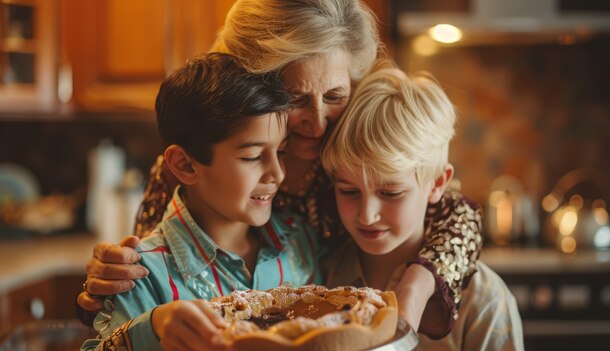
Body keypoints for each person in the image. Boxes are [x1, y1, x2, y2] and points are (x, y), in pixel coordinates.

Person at [78, 0, 483, 337]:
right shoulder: (190, 167)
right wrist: (109, 282)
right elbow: (147, 277)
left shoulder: (351, 150)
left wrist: (417, 283)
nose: (319, 123)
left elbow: (454, 211)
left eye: (335, 95)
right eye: (295, 98)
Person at [81, 53, 324, 351]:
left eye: (281, 152)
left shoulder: (302, 242)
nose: (277, 173)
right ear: (185, 165)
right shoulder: (141, 276)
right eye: (252, 157)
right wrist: (152, 328)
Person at [321, 61, 524, 350]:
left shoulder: (483, 302)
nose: (367, 214)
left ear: (438, 183)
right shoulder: (319, 276)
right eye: (348, 191)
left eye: (391, 193)